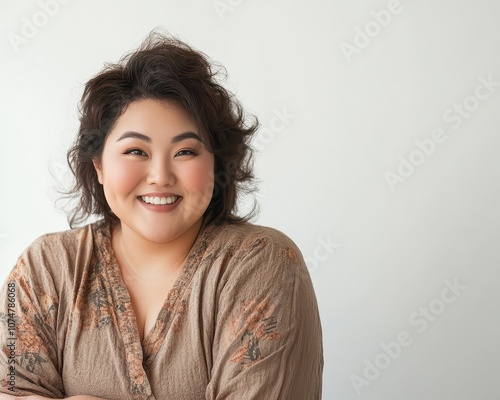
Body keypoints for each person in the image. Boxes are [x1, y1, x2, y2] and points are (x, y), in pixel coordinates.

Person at [0, 31, 323, 399]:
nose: (161, 176)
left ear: (217, 164)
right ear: (99, 166)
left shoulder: (263, 263)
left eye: (185, 151)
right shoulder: (44, 268)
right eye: (136, 151)